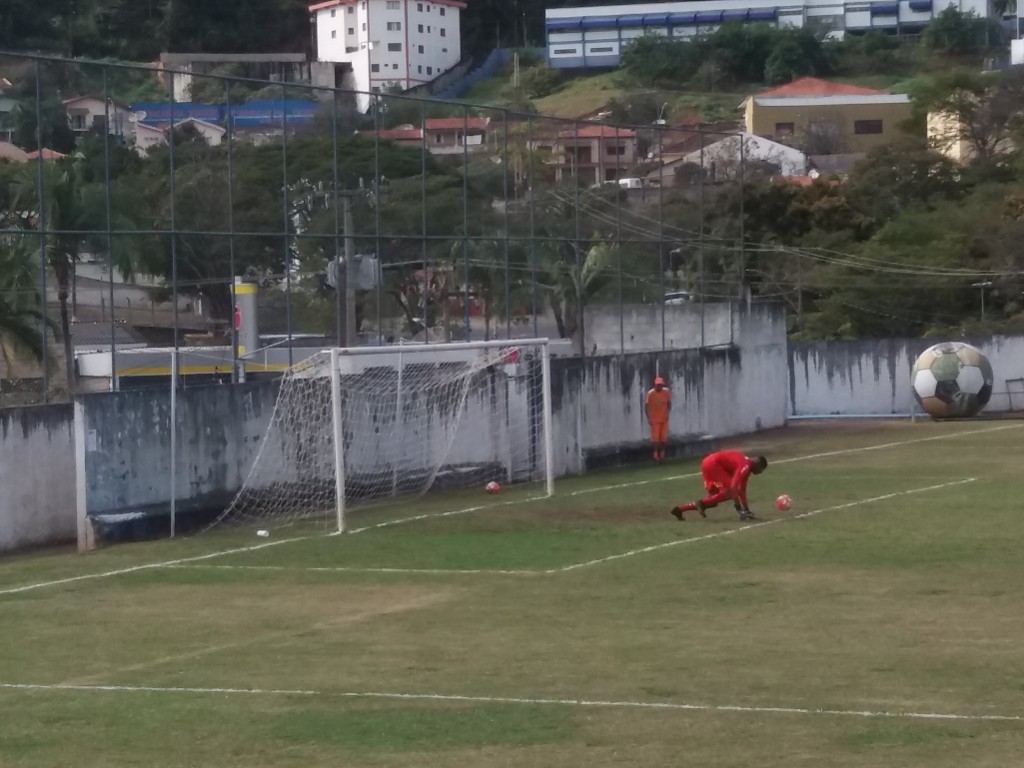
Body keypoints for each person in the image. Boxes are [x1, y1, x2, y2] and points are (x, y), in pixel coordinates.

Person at [670, 450, 768, 521]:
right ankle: (699, 503)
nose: (760, 472)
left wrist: (746, 509)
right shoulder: (746, 465)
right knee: (730, 493)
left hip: (707, 463)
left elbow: (742, 489)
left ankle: (680, 510)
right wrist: (739, 509)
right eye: (761, 470)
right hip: (713, 465)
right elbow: (734, 486)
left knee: (712, 501)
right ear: (758, 464)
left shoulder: (747, 465)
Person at [644, 376, 672, 463]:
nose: (659, 386)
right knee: (655, 439)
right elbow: (646, 406)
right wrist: (649, 418)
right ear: (655, 385)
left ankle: (662, 455)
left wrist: (667, 413)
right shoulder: (651, 394)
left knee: (663, 439)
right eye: (658, 385)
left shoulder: (666, 392)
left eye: (660, 385)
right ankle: (656, 456)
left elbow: (669, 403)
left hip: (664, 419)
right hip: (655, 419)